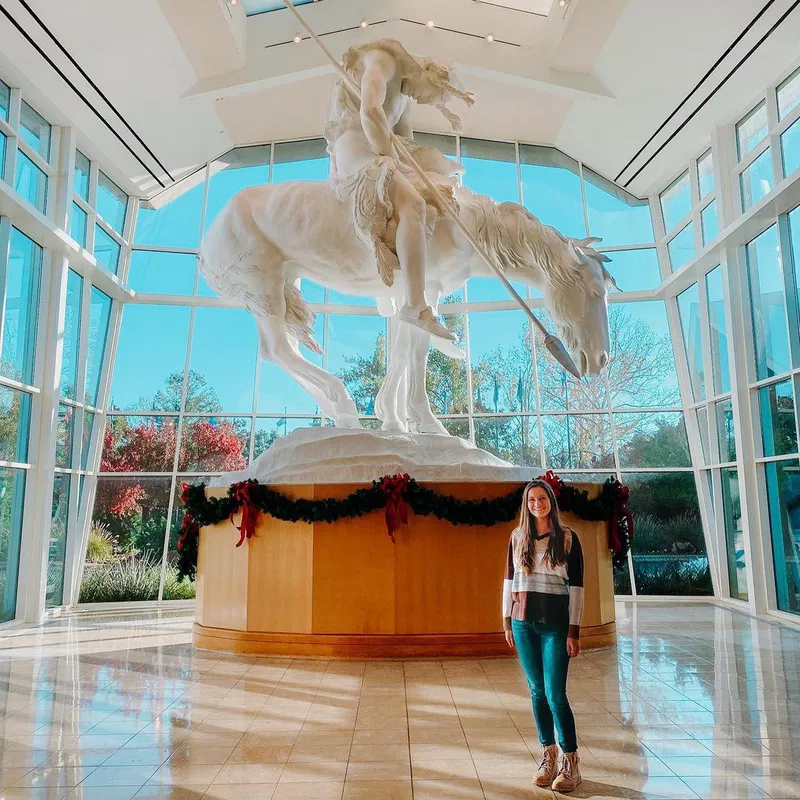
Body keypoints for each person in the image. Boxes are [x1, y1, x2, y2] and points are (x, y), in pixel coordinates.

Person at [324, 39, 473, 343]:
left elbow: (407, 143)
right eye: (431, 95)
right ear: (429, 74)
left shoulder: (404, 100)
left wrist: (432, 165)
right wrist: (394, 163)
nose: (423, 100)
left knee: (435, 187)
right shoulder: (383, 61)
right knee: (414, 203)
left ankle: (412, 270)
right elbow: (371, 114)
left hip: (381, 151)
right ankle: (415, 306)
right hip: (355, 145)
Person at [502, 479, 584, 793]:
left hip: (555, 625)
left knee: (555, 694)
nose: (537, 504)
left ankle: (571, 761)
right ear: (526, 505)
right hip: (523, 623)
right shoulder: (516, 537)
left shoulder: (567, 538)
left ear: (550, 501)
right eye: (532, 500)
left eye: (542, 498)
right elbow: (508, 580)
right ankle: (547, 755)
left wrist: (573, 630)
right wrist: (507, 620)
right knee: (536, 691)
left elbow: (577, 587)